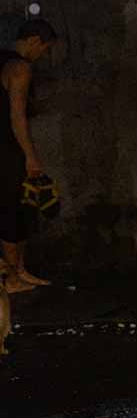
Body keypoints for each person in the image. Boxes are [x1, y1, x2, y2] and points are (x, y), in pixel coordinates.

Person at [0, 19, 56, 293]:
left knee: (15, 207)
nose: (42, 55)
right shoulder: (21, 68)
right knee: (14, 209)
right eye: (44, 48)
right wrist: (32, 158)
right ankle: (10, 278)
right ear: (34, 41)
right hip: (8, 148)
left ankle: (18, 270)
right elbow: (17, 117)